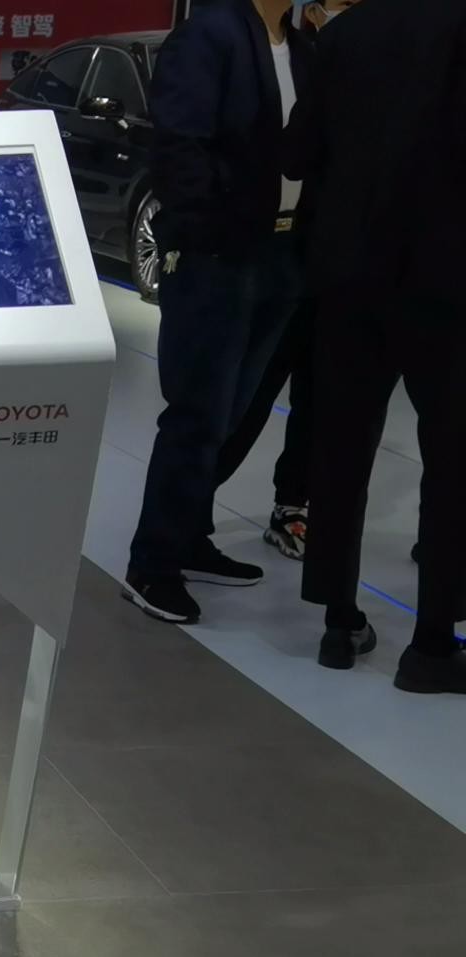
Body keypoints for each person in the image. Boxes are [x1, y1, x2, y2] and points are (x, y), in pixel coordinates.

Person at [286, 0, 466, 691]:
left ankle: (339, 622)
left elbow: (297, 153)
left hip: (348, 278)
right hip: (446, 285)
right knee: (450, 462)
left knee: (340, 448)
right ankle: (432, 645)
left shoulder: (344, 34)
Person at [121, 0, 311, 624]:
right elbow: (179, 144)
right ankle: (152, 564)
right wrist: (208, 234)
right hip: (219, 257)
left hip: (281, 253)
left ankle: (188, 537)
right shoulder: (210, 34)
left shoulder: (299, 45)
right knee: (198, 413)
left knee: (238, 409)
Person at [214, 0, 366, 563]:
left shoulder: (329, 54)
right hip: (286, 250)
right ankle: (189, 507)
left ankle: (292, 505)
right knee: (249, 390)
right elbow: (293, 152)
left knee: (319, 396)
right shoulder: (305, 53)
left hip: (339, 261)